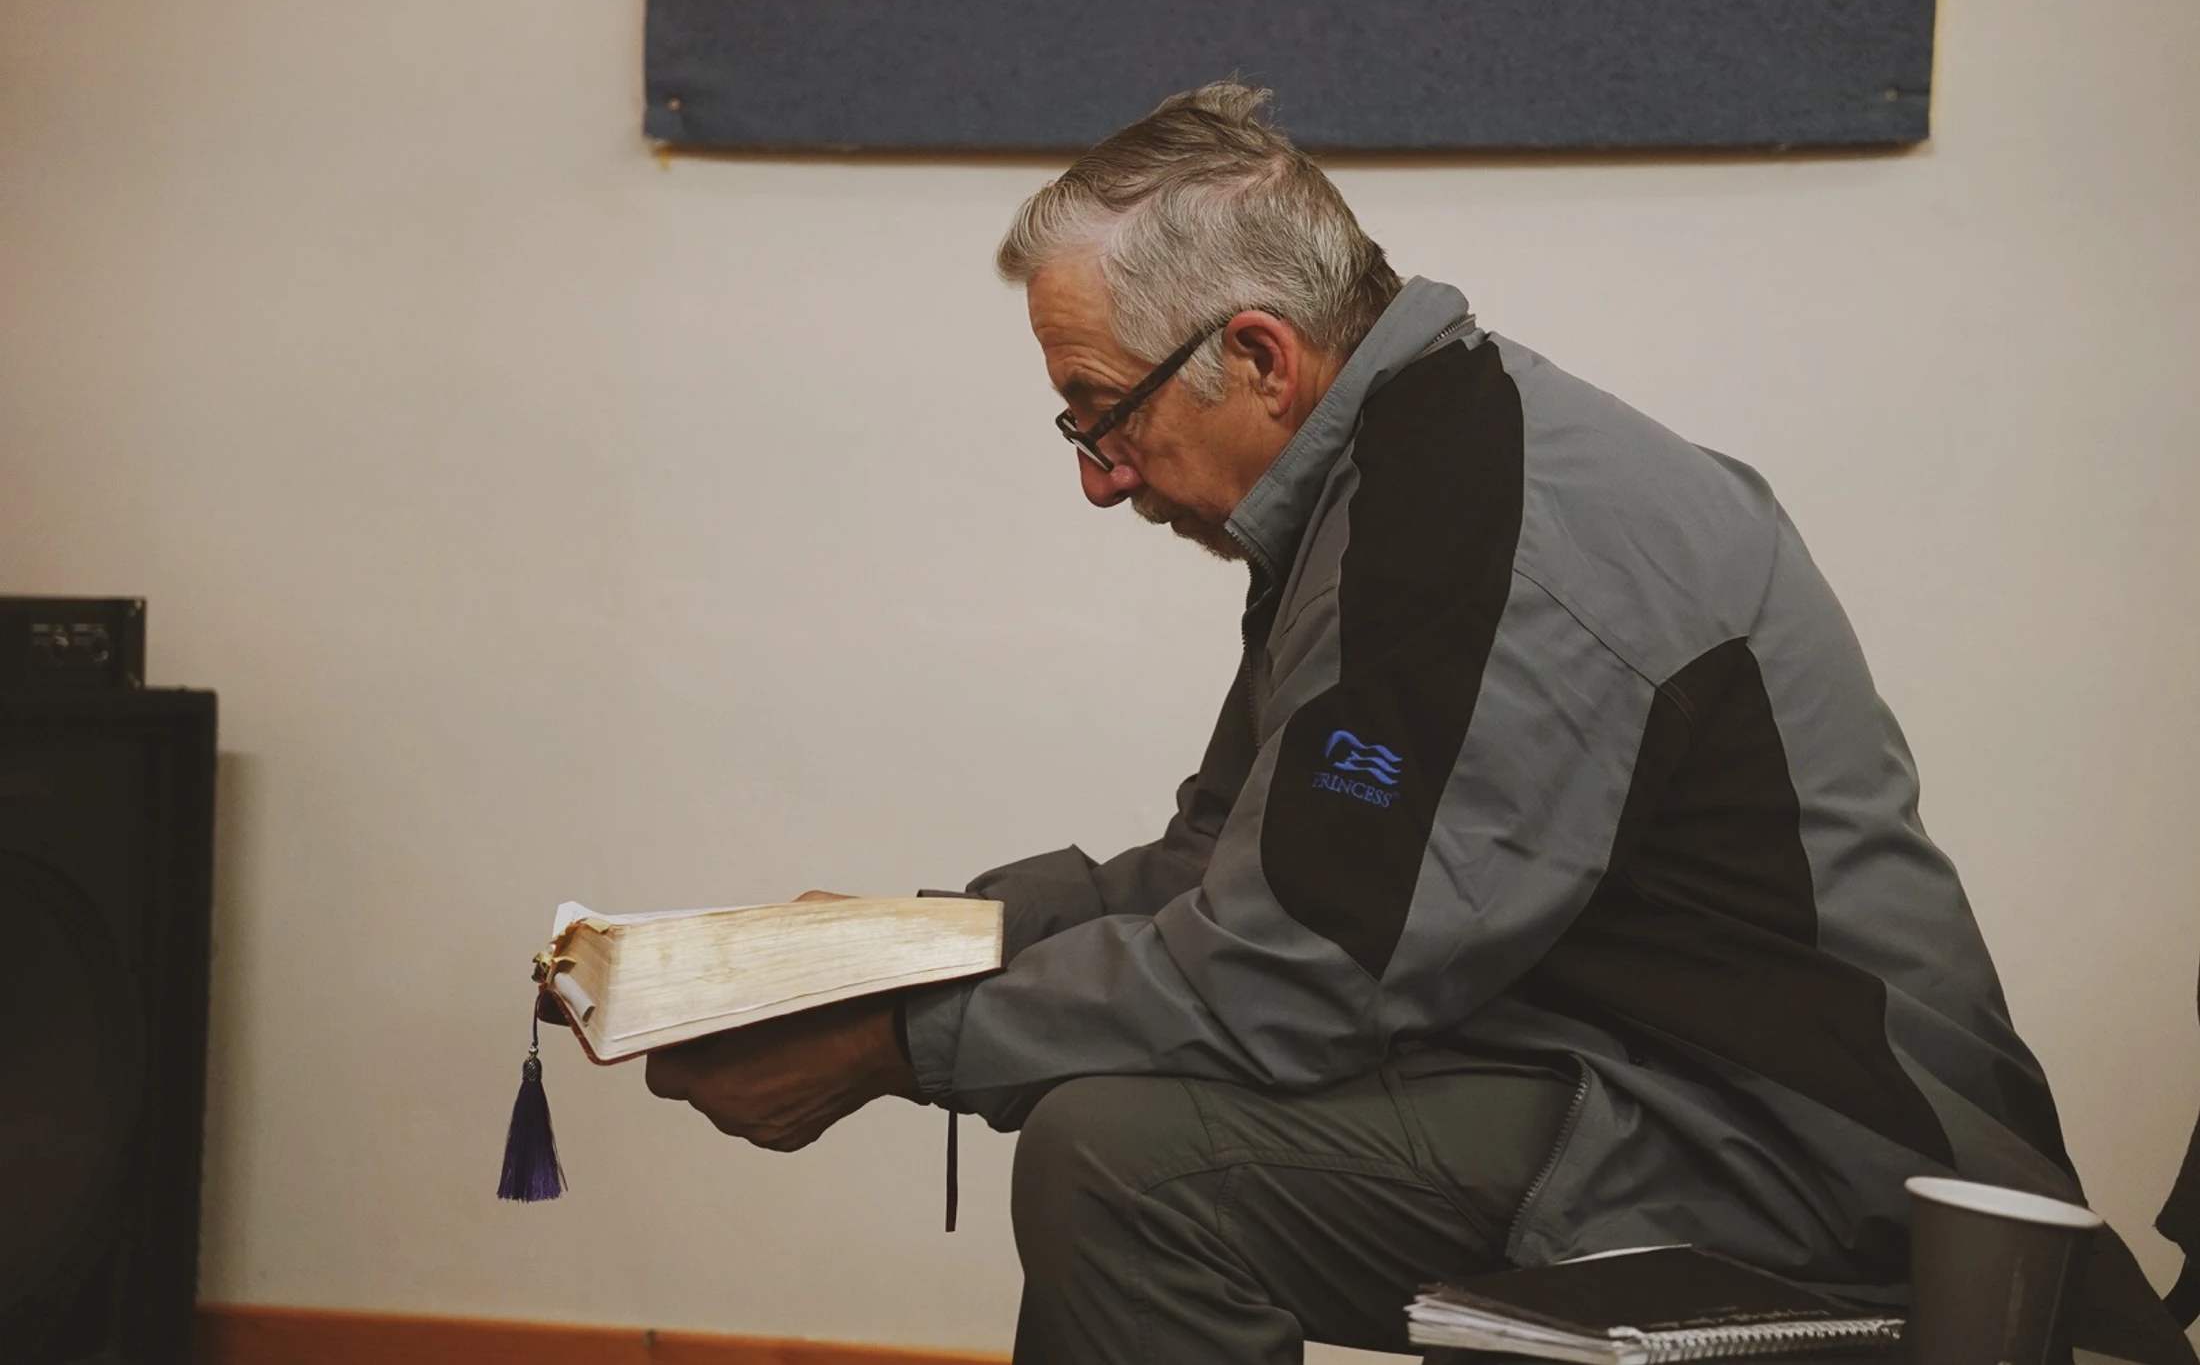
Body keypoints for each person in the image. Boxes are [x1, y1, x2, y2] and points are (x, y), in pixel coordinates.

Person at [640, 83, 2195, 1365]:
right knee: (1116, 1115)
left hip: (1805, 1161)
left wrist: (900, 1045)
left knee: (1121, 1159)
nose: (1100, 477)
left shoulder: (1476, 530)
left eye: (1104, 411)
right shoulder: (1399, 478)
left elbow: (1301, 966)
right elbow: (1227, 870)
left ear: (1260, 356)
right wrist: (907, 943)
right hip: (1618, 1076)